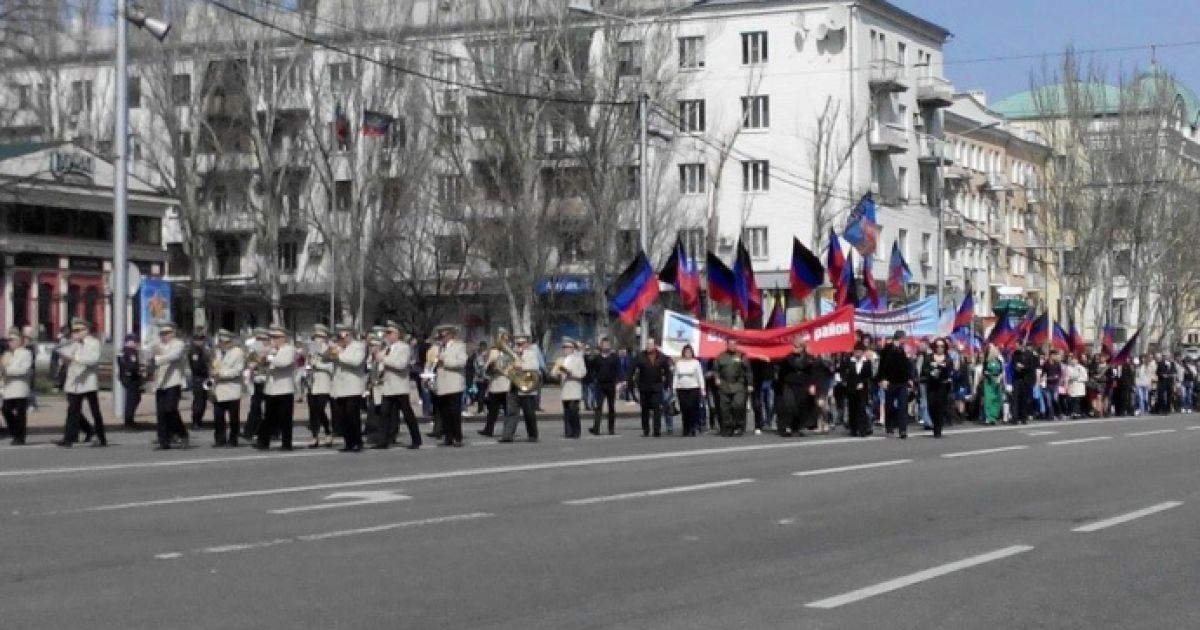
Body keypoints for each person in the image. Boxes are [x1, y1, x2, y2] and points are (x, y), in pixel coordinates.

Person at [57, 318, 104, 447]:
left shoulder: (94, 343)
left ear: (86, 330)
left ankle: (101, 437)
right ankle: (69, 438)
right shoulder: (74, 343)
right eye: (74, 331)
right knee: (72, 410)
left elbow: (92, 360)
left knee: (95, 411)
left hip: (88, 382)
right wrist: (63, 350)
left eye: (78, 330)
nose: (75, 333)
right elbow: (65, 357)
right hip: (75, 383)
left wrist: (75, 358)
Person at [374, 321, 420, 449]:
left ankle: (416, 439)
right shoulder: (387, 348)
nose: (387, 336)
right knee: (384, 414)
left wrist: (384, 359)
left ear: (397, 334)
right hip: (388, 386)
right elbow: (382, 365)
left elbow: (401, 364)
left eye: (389, 333)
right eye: (386, 333)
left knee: (407, 414)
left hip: (399, 386)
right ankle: (383, 440)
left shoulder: (403, 347)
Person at [256, 325, 296, 450]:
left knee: (285, 418)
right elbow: (264, 367)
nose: (274, 339)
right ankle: (263, 442)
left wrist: (268, 357)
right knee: (268, 417)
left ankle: (286, 443)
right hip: (270, 388)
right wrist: (260, 361)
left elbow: (283, 363)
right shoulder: (271, 350)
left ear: (284, 338)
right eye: (273, 337)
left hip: (284, 389)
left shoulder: (289, 349)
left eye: (277, 337)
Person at [150, 323, 188, 450]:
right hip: (160, 383)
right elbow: (150, 357)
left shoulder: (178, 344)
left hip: (173, 381)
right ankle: (163, 441)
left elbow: (174, 356)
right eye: (162, 334)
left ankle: (182, 433)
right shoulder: (158, 345)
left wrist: (157, 359)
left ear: (173, 333)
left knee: (170, 409)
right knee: (161, 413)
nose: (164, 336)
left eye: (167, 333)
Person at [331, 324, 367, 452]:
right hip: (340, 388)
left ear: (349, 335)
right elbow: (325, 359)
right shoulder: (339, 347)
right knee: (343, 417)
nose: (341, 338)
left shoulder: (358, 346)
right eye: (339, 336)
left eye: (343, 335)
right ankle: (348, 442)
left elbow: (355, 361)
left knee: (352, 416)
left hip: (353, 387)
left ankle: (357, 442)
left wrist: (339, 354)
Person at [501, 333, 541, 443]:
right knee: (511, 412)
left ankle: (533, 435)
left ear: (527, 344)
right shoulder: (512, 354)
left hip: (526, 387)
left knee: (529, 413)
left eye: (521, 343)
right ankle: (507, 436)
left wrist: (521, 366)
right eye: (517, 343)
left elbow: (535, 367)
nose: (519, 345)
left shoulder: (531, 354)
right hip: (514, 386)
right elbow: (506, 367)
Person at [432, 323, 467, 447]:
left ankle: (458, 437)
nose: (441, 337)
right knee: (444, 412)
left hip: (454, 383)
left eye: (443, 335)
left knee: (455, 412)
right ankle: (448, 437)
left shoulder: (459, 346)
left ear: (450, 335)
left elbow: (462, 362)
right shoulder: (438, 347)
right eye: (440, 335)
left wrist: (445, 361)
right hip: (442, 384)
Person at [629, 339, 672, 437]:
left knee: (657, 408)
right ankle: (646, 430)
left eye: (650, 344)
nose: (649, 346)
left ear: (654, 345)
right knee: (645, 409)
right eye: (647, 344)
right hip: (644, 387)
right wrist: (630, 382)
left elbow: (667, 371)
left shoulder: (661, 357)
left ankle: (657, 430)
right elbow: (632, 369)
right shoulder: (640, 356)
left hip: (657, 387)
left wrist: (667, 384)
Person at [776, 337, 819, 436]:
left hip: (802, 384)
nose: (795, 348)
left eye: (797, 346)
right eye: (794, 346)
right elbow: (782, 370)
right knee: (790, 405)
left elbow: (813, 373)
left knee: (800, 406)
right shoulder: (788, 358)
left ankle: (796, 427)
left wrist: (813, 385)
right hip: (789, 384)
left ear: (802, 347)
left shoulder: (809, 358)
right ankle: (786, 427)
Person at [211, 329, 245, 447]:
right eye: (221, 342)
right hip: (218, 388)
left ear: (231, 342)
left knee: (233, 417)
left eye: (226, 342)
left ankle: (233, 439)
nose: (223, 345)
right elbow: (213, 365)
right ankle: (219, 439)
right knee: (218, 416)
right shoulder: (216, 352)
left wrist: (221, 374)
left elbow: (238, 370)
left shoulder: (238, 352)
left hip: (232, 388)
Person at [877, 330, 914, 438]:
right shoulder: (888, 349)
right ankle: (889, 427)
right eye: (904, 338)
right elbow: (882, 365)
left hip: (902, 382)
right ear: (900, 338)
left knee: (903, 406)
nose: (905, 340)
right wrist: (882, 379)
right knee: (889, 406)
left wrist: (909, 378)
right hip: (890, 382)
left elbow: (906, 366)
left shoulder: (902, 350)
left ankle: (903, 430)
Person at [713, 338, 752, 437]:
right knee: (725, 408)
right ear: (727, 345)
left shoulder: (741, 355)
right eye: (730, 344)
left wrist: (750, 384)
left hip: (739, 384)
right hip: (724, 384)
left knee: (738, 405)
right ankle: (727, 427)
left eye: (734, 344)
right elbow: (716, 369)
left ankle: (738, 426)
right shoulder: (721, 356)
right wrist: (716, 378)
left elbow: (748, 371)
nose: (732, 346)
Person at [1, 327, 33, 445]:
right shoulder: (7, 354)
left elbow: (23, 370)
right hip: (9, 388)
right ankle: (15, 431)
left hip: (20, 387)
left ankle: (20, 436)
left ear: (20, 341)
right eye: (9, 340)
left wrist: (7, 371)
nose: (10, 343)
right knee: (6, 410)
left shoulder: (26, 353)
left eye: (13, 340)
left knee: (21, 414)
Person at [306, 325, 335, 448]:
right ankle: (314, 435)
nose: (317, 340)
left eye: (320, 337)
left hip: (324, 383)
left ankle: (328, 431)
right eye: (316, 337)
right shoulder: (310, 351)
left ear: (325, 338)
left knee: (320, 409)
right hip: (311, 384)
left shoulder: (329, 350)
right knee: (312, 411)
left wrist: (318, 364)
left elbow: (332, 367)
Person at [478, 334, 511, 438]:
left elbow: (514, 366)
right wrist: (490, 365)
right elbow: (485, 369)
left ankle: (508, 431)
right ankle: (488, 430)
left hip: (506, 385)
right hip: (494, 386)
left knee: (508, 411)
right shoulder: (493, 352)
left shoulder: (510, 352)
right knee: (492, 411)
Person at [554, 339, 587, 438]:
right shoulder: (560, 360)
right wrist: (558, 373)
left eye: (568, 348)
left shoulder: (578, 359)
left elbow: (582, 373)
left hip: (574, 388)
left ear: (573, 349)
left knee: (574, 411)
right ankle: (568, 432)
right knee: (567, 412)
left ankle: (576, 431)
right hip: (565, 389)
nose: (566, 350)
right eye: (564, 348)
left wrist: (571, 373)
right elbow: (553, 373)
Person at [588, 337, 621, 436]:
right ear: (601, 346)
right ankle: (596, 428)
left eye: (608, 344)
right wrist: (593, 379)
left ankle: (611, 429)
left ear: (610, 346)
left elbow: (618, 370)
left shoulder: (614, 357)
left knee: (611, 407)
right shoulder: (597, 358)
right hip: (600, 385)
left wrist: (620, 382)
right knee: (598, 407)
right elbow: (591, 369)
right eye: (604, 344)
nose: (606, 346)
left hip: (611, 384)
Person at [921, 338, 952, 438]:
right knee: (931, 407)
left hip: (942, 386)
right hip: (931, 385)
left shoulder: (948, 358)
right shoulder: (929, 358)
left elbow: (950, 372)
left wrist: (944, 371)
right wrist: (931, 373)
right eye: (937, 346)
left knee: (940, 407)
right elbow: (924, 371)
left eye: (942, 346)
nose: (939, 348)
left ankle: (938, 429)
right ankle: (934, 424)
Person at [841, 342, 874, 437]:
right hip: (851, 388)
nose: (858, 354)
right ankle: (853, 429)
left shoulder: (867, 362)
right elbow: (842, 371)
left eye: (860, 352)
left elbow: (869, 376)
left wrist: (863, 383)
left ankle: (863, 429)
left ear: (862, 352)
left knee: (862, 408)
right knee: (852, 409)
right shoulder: (849, 361)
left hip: (863, 389)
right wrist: (844, 380)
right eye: (856, 352)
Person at [672, 344, 706, 437]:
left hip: (693, 388)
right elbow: (676, 376)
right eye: (686, 352)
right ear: (683, 353)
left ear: (692, 353)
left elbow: (700, 376)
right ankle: (685, 428)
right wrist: (674, 388)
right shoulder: (679, 363)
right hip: (681, 389)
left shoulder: (696, 362)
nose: (688, 354)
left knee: (692, 408)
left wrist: (702, 388)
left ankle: (692, 428)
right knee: (684, 409)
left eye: (689, 352)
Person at [243, 328, 270, 440]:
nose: (260, 342)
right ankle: (251, 430)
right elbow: (248, 362)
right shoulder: (253, 349)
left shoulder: (272, 349)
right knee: (255, 406)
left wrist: (264, 359)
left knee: (270, 408)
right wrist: (252, 364)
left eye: (263, 339)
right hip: (257, 380)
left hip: (269, 381)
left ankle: (272, 431)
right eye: (258, 339)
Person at [116, 333, 143, 428]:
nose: (136, 344)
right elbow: (132, 365)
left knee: (133, 398)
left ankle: (129, 419)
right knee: (133, 399)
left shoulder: (122, 351)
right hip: (132, 378)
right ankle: (129, 420)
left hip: (125, 377)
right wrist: (139, 372)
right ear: (130, 342)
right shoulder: (131, 352)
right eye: (135, 341)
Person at [187, 327, 211, 430]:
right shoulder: (194, 351)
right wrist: (207, 370)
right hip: (198, 378)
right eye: (198, 339)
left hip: (204, 378)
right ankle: (196, 421)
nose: (200, 341)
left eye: (202, 339)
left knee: (203, 400)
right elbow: (196, 366)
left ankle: (199, 420)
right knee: (199, 401)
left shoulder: (202, 350)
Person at [749, 358, 775, 434]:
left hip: (767, 379)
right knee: (758, 403)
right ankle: (761, 422)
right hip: (757, 380)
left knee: (768, 401)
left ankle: (768, 421)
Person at [982, 345, 1005, 425]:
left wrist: (999, 378)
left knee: (996, 399)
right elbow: (984, 371)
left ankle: (994, 417)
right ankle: (988, 418)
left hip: (997, 381)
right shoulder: (986, 360)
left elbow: (1002, 371)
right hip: (988, 382)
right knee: (989, 400)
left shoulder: (999, 360)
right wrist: (987, 374)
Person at [1066, 354, 1088, 418]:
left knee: (1077, 400)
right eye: (1072, 359)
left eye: (1075, 359)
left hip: (1079, 387)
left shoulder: (1081, 368)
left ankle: (1077, 413)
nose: (1073, 361)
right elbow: (1068, 376)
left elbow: (1085, 378)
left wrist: (1078, 379)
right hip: (1072, 386)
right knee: (1072, 400)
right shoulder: (1068, 367)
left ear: (1077, 360)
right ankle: (1073, 412)